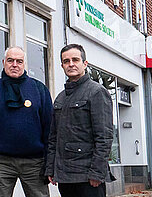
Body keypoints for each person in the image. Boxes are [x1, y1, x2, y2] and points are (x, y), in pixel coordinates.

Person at [0, 46, 53, 197]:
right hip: (1, 163)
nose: (15, 65)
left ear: (25, 64)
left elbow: (49, 129)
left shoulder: (39, 90)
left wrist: (49, 162)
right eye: (10, 60)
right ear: (4, 62)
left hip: (35, 163)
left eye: (19, 61)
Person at [45, 44, 114, 197]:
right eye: (66, 61)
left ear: (85, 63)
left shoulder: (97, 92)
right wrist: (51, 169)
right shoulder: (61, 97)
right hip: (65, 176)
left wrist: (97, 172)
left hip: (88, 176)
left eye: (75, 60)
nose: (71, 64)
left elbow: (104, 136)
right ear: (62, 65)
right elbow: (53, 138)